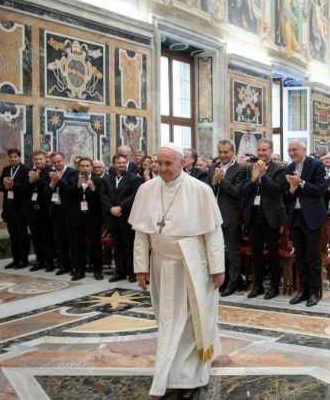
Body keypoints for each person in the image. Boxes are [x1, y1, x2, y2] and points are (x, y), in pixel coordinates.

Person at [130, 142, 225, 399]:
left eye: (168, 164)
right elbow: (141, 233)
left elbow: (213, 234)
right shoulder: (146, 189)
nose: (162, 169)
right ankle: (171, 368)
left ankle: (189, 377)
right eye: (158, 163)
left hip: (192, 266)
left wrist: (217, 268)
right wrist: (140, 267)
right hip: (160, 265)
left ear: (183, 163)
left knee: (190, 321)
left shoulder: (200, 190)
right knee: (168, 320)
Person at [283, 140, 327, 307]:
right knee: (300, 256)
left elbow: (320, 190)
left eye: (295, 150)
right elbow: (285, 197)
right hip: (295, 217)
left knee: (312, 257)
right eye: (289, 150)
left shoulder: (316, 165)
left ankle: (314, 292)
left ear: (304, 150)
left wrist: (300, 183)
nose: (292, 153)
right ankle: (303, 290)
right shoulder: (288, 168)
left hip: (312, 217)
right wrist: (292, 189)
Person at [242, 139, 287, 300]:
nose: (261, 153)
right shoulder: (250, 168)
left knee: (273, 253)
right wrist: (253, 178)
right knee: (256, 252)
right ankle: (258, 285)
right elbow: (244, 191)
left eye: (264, 150)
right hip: (254, 215)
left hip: (271, 215)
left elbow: (276, 190)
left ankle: (274, 286)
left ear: (271, 151)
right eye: (259, 150)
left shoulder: (279, 169)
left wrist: (263, 175)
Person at [205, 140, 246, 296]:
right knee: (216, 250)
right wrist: (214, 183)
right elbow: (207, 190)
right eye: (220, 152)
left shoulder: (240, 169)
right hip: (213, 215)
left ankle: (234, 283)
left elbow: (237, 192)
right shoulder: (213, 168)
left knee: (232, 251)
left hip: (230, 216)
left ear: (232, 152)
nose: (222, 155)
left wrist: (221, 181)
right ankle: (222, 281)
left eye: (225, 152)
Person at [100, 154, 141, 282]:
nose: (122, 165)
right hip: (112, 217)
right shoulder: (107, 179)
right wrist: (111, 208)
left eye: (124, 162)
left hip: (127, 217)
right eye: (119, 163)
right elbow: (103, 195)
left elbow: (134, 195)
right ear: (114, 164)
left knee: (129, 246)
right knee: (117, 246)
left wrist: (120, 207)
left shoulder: (134, 178)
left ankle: (132, 272)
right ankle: (120, 272)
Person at [64, 157, 104, 280]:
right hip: (77, 218)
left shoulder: (98, 180)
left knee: (95, 245)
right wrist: (77, 185)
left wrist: (93, 188)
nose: (85, 168)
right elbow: (66, 194)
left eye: (87, 166)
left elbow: (103, 197)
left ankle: (97, 270)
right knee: (78, 245)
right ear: (78, 167)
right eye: (82, 166)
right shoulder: (72, 180)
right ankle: (80, 271)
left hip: (93, 218)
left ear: (91, 167)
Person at [0, 148, 30, 269]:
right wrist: (5, 186)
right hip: (8, 207)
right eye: (11, 157)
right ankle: (15, 259)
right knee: (13, 235)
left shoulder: (26, 169)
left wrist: (13, 185)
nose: (13, 159)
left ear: (19, 157)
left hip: (20, 208)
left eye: (15, 156)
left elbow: (27, 188)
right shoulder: (6, 169)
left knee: (22, 235)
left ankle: (24, 260)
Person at [46, 152, 78, 275]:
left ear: (64, 160)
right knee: (60, 240)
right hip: (55, 210)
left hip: (69, 211)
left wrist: (59, 180)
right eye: (54, 162)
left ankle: (75, 266)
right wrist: (52, 183)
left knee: (72, 240)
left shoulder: (72, 172)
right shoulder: (50, 173)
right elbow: (45, 192)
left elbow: (71, 189)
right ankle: (65, 265)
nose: (57, 164)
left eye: (59, 161)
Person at [27, 151, 55, 272]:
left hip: (45, 210)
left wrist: (37, 180)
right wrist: (30, 182)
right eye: (36, 159)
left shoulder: (50, 172)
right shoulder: (31, 172)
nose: (38, 161)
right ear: (33, 160)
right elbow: (27, 191)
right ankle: (40, 261)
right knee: (36, 237)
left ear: (45, 159)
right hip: (33, 210)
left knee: (47, 238)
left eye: (40, 159)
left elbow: (48, 190)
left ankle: (49, 262)